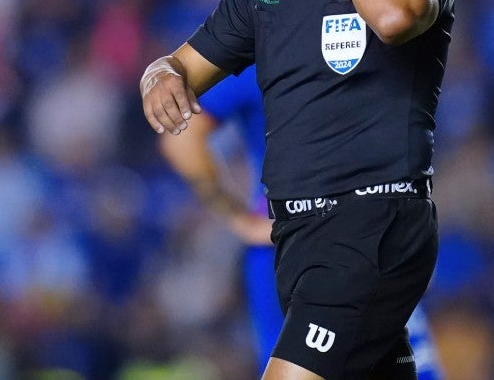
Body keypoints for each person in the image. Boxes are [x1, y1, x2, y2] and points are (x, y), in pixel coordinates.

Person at [141, 0, 456, 380]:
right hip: (296, 238)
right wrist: (158, 76)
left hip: (370, 227)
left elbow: (394, 17)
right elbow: (181, 65)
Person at [158, 62, 445, 379]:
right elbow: (181, 137)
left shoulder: (267, 51)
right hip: (325, 242)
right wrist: (241, 220)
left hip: (345, 240)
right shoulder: (266, 55)